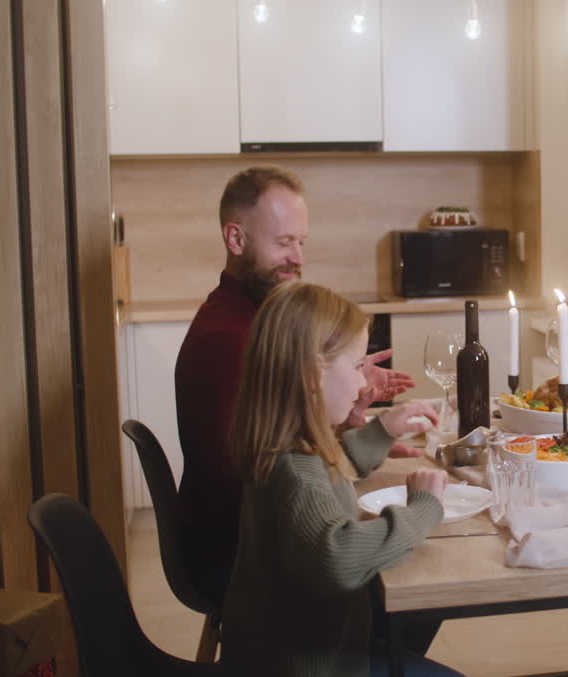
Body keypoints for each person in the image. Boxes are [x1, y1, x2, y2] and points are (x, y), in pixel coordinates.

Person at [221, 281, 476, 677]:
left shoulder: (292, 449)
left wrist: (382, 430)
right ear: (312, 375)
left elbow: (333, 468)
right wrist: (422, 510)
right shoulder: (295, 469)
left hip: (314, 662)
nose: (363, 383)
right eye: (357, 366)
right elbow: (338, 556)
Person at [174, 166, 416, 611]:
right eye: (284, 242)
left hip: (252, 538)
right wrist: (333, 416)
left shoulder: (256, 321)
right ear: (235, 239)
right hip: (236, 557)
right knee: (404, 565)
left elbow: (284, 451)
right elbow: (273, 477)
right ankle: (369, 652)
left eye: (302, 242)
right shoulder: (231, 341)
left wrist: (341, 399)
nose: (298, 258)